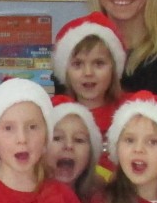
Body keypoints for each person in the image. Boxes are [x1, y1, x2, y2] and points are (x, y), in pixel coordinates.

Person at [50, 13, 125, 145]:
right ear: (65, 71)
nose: (88, 73)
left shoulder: (129, 114)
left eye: (99, 63)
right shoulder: (53, 114)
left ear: (113, 69)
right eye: (78, 64)